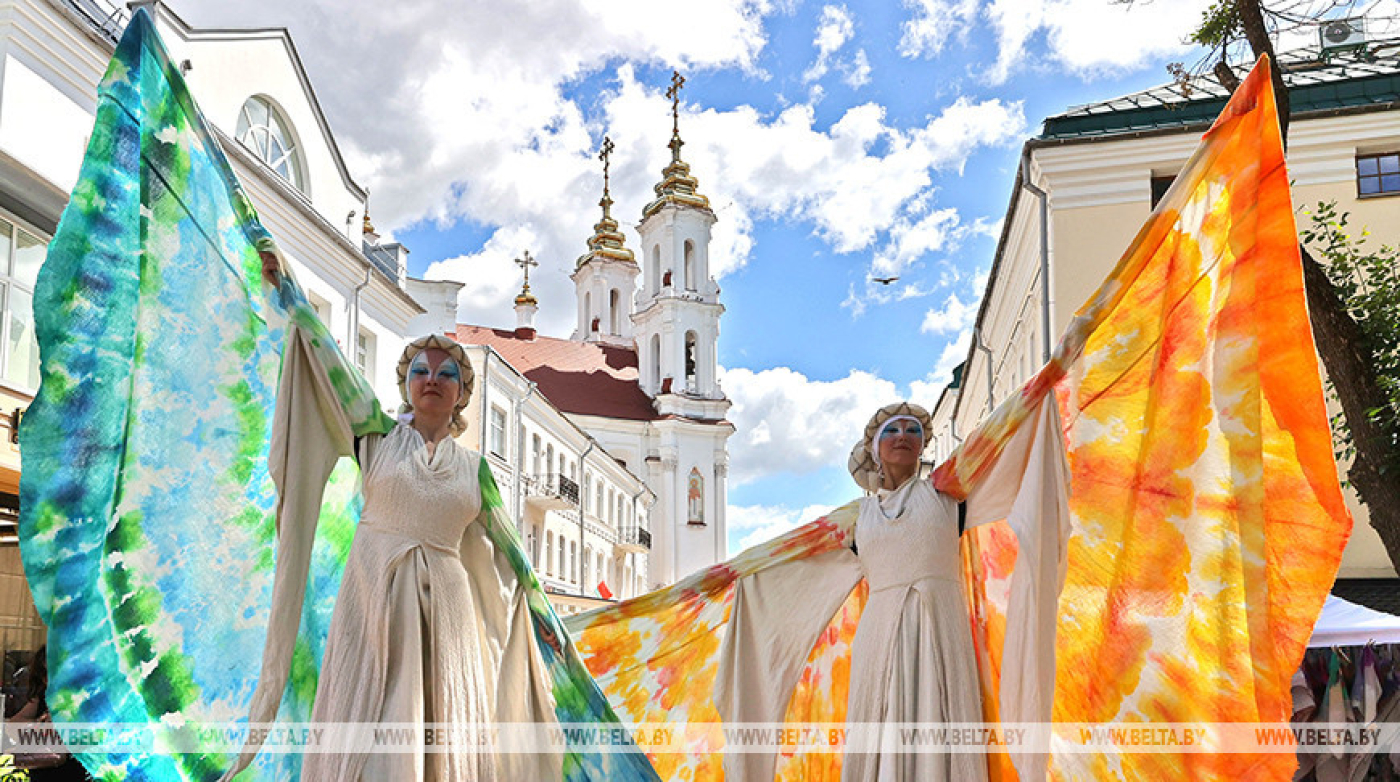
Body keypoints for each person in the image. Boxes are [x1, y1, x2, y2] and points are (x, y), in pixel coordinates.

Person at [217, 255, 633, 781]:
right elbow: (330, 366)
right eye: (420, 371)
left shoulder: (476, 469)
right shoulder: (377, 436)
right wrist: (292, 293)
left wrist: (550, 631)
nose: (431, 379)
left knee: (440, 735)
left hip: (447, 615)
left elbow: (513, 558)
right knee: (369, 738)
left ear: (462, 393)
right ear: (405, 384)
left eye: (446, 374)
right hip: (372, 598)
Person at [841, 402, 986, 782]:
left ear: (923, 447)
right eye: (892, 430)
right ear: (874, 447)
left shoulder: (948, 492)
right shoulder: (855, 517)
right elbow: (790, 555)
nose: (903, 436)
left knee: (943, 720)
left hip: (939, 627)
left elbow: (999, 437)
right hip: (879, 639)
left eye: (913, 431)